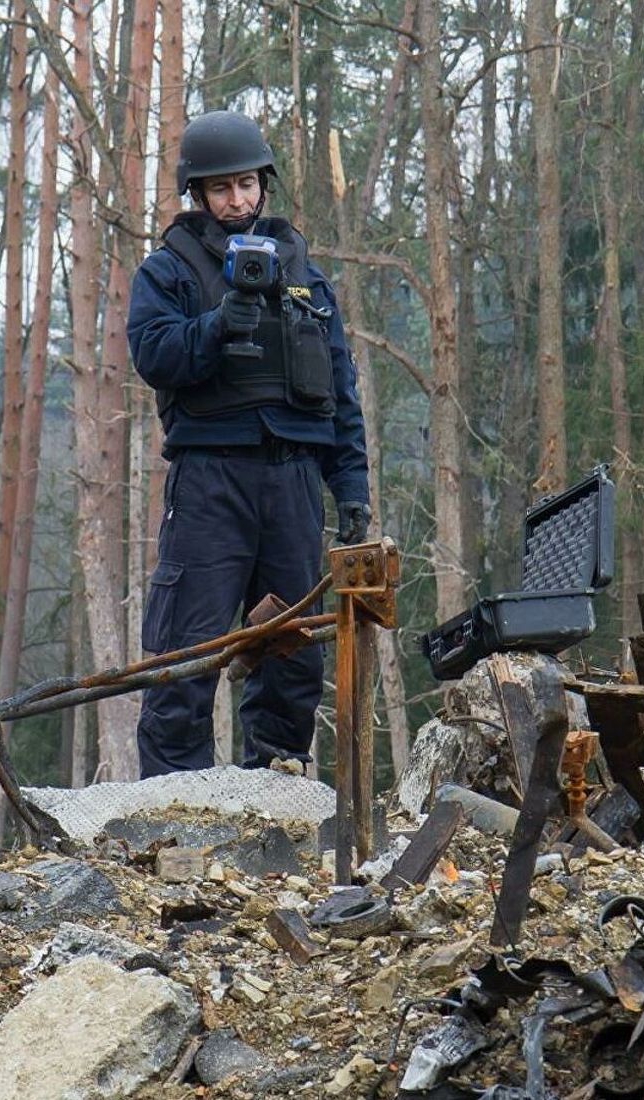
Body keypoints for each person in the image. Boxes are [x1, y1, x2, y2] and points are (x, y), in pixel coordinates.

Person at [127, 109, 370, 778]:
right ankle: (173, 823)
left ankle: (277, 811)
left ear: (264, 185)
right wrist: (214, 326)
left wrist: (351, 489)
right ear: (197, 194)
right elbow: (152, 355)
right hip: (211, 483)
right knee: (184, 660)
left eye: (246, 185)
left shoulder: (306, 276)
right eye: (220, 189)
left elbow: (341, 394)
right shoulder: (168, 272)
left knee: (291, 663)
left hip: (294, 485)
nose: (236, 201)